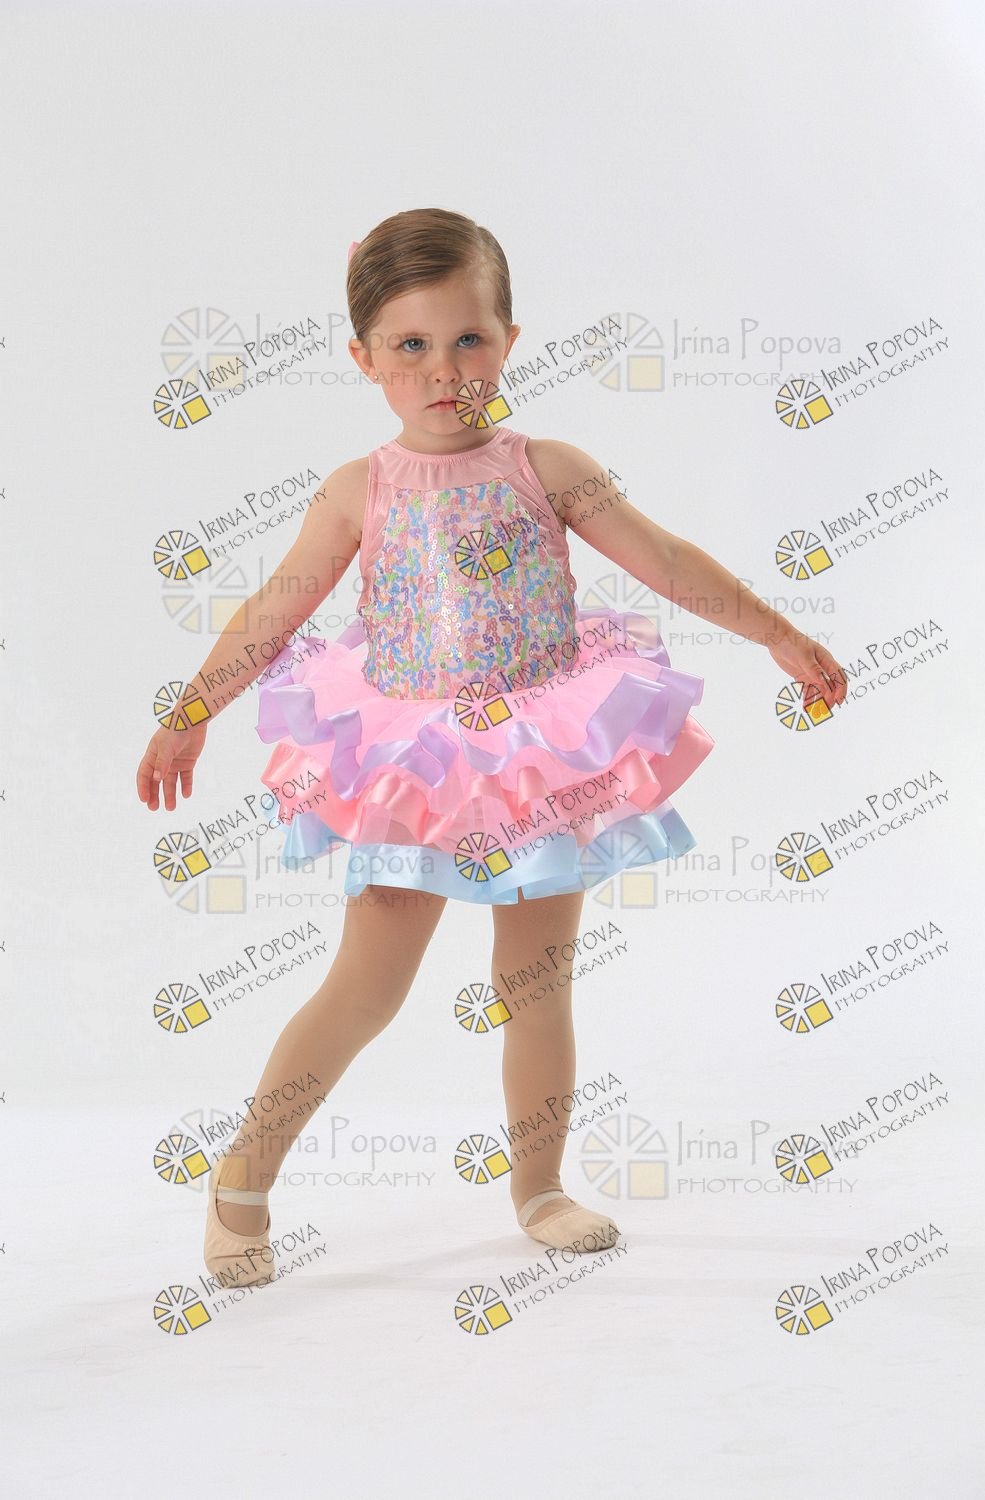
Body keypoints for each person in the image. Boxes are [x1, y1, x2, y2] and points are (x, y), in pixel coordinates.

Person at [135, 207, 847, 1289]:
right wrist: (191, 710)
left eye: (468, 338)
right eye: (411, 346)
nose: (442, 370)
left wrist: (779, 635)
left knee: (538, 981)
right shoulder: (358, 489)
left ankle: (540, 1187)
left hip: (531, 760)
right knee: (366, 987)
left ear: (509, 339)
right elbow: (272, 614)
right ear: (365, 358)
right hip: (415, 765)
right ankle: (242, 1177)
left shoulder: (547, 467)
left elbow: (664, 559)